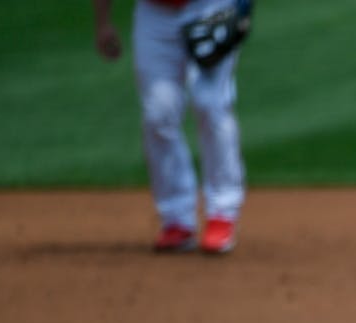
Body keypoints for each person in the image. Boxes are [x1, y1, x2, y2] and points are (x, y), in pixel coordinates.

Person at [92, 0, 246, 254]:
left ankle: (222, 212)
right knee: (158, 114)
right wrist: (103, 23)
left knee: (211, 104)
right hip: (155, 14)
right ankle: (176, 218)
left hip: (211, 7)